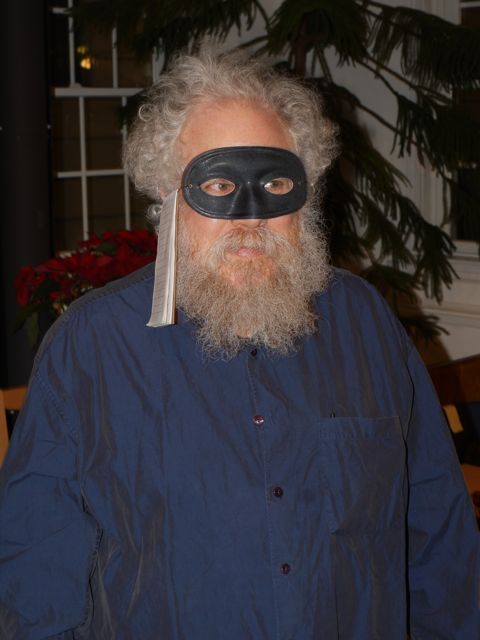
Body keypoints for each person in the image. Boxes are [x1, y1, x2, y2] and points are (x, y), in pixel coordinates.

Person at [0, 49, 478, 640]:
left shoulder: (365, 325)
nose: (250, 218)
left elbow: (437, 526)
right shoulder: (89, 349)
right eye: (219, 185)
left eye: (276, 183)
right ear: (167, 196)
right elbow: (36, 571)